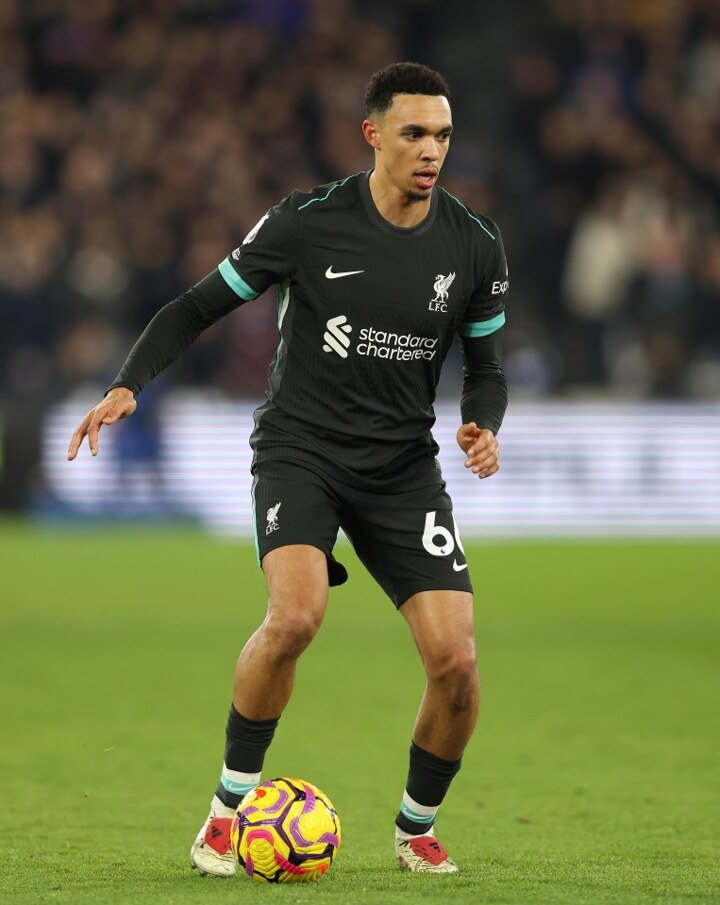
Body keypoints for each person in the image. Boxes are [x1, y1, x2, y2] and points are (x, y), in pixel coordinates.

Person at [67, 61, 509, 875]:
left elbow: (486, 367)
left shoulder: (474, 245)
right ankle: (226, 811)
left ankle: (415, 828)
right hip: (301, 450)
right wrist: (129, 382)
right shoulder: (307, 222)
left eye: (443, 136)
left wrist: (483, 422)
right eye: (414, 133)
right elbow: (197, 305)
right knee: (297, 616)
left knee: (457, 662)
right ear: (372, 134)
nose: (431, 150)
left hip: (401, 468)